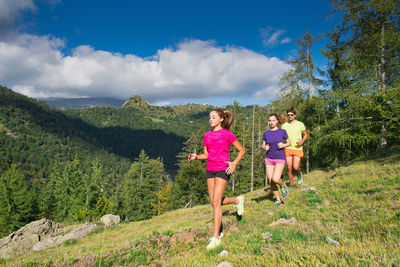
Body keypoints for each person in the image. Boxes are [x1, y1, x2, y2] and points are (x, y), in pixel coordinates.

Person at [188, 108, 245, 250]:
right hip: (210, 170)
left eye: (213, 117)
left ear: (221, 119)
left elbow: (241, 150)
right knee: (213, 201)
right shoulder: (207, 136)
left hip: (223, 169)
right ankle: (237, 201)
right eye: (209, 117)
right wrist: (196, 157)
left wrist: (234, 163)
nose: (210, 119)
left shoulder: (227, 134)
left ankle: (216, 237)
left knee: (216, 201)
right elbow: (207, 155)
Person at [262, 114, 291, 206]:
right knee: (271, 181)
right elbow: (263, 145)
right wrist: (265, 147)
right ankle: (279, 200)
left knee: (275, 179)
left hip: (279, 157)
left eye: (273, 120)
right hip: (269, 158)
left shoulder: (282, 131)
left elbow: (289, 142)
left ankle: (282, 185)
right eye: (270, 120)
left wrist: (283, 145)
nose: (271, 122)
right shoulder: (266, 133)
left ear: (277, 121)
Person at [281, 108, 308, 188]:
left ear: (294, 115)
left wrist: (302, 141)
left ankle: (299, 174)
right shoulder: (284, 126)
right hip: (288, 148)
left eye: (291, 115)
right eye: (288, 115)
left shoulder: (300, 124)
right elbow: (282, 137)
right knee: (289, 168)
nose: (290, 116)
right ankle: (292, 185)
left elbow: (305, 135)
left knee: (295, 167)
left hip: (298, 148)